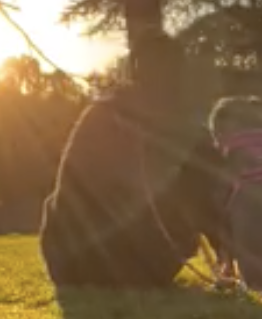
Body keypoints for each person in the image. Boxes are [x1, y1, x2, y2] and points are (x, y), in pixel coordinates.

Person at [39, 31, 212, 288]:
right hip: (125, 268)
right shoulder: (144, 117)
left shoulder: (104, 109)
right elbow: (140, 187)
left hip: (67, 268)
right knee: (191, 181)